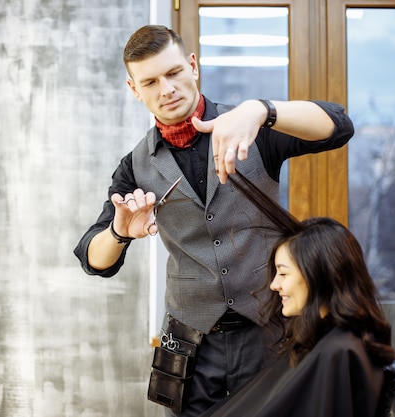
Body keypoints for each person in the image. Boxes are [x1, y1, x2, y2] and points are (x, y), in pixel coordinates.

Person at [73, 24, 355, 417]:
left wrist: (261, 110)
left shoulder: (249, 127)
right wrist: (121, 231)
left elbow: (339, 126)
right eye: (150, 81)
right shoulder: (134, 166)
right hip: (192, 348)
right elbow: (94, 258)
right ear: (134, 89)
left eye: (173, 73)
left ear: (193, 66)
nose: (166, 88)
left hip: (270, 333)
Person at [199, 172, 395, 417]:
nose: (273, 285)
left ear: (319, 275)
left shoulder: (338, 353)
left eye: (283, 274)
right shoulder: (332, 343)